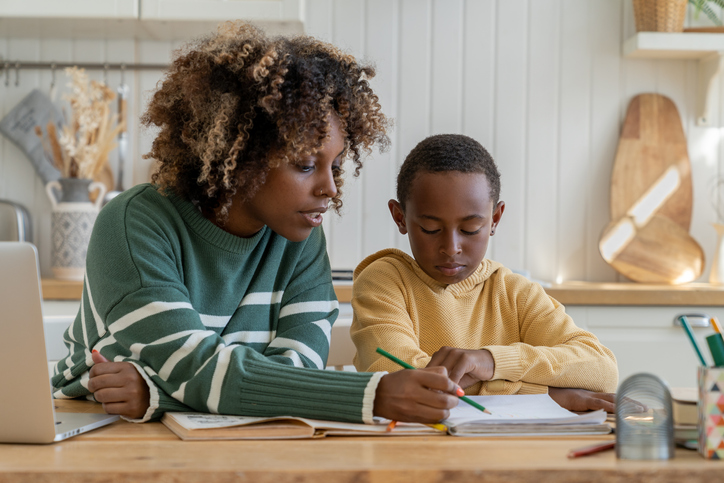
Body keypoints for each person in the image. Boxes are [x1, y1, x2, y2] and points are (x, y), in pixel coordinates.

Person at [51, 22, 463, 425]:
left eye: (335, 165)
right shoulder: (133, 226)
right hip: (97, 430)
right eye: (305, 164)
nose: (331, 188)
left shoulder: (301, 238)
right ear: (242, 157)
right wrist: (375, 395)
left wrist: (158, 393)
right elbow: (200, 369)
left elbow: (295, 367)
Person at [350, 134, 619, 412]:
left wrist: (491, 362)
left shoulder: (515, 292)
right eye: (431, 229)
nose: (451, 248)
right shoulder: (382, 281)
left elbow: (602, 370)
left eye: (469, 230)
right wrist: (549, 395)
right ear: (400, 217)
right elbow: (405, 383)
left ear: (495, 219)